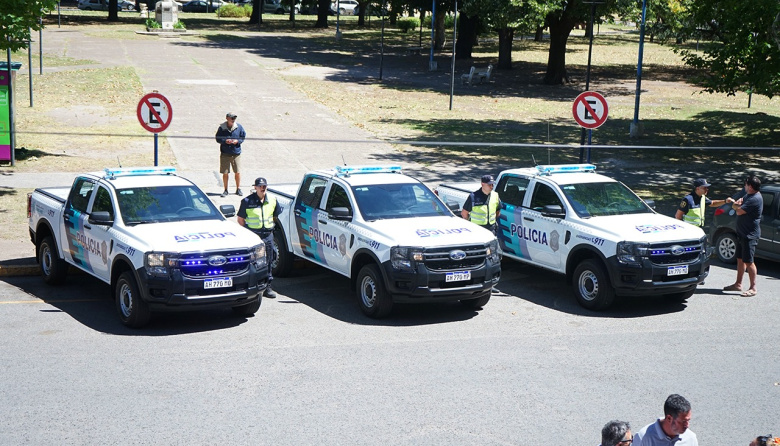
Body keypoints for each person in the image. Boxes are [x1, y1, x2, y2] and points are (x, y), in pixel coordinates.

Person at [237, 177, 281, 298]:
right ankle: (253, 285)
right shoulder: (247, 201)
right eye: (260, 186)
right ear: (255, 187)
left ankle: (267, 287)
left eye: (264, 186)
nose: (263, 188)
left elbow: (275, 217)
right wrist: (249, 232)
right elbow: (241, 220)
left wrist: (270, 228)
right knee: (253, 261)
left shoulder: (272, 200)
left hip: (267, 236)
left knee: (269, 260)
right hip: (254, 237)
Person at [723, 175, 763, 297]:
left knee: (749, 261)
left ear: (750, 186)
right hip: (742, 233)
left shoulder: (755, 199)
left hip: (749, 235)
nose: (744, 186)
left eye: (745, 185)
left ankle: (753, 288)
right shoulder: (748, 195)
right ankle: (738, 284)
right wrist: (737, 205)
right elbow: (738, 205)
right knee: (740, 259)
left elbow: (739, 210)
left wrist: (736, 206)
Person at [633, 394, 698, 446]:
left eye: (688, 420)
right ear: (669, 418)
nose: (687, 425)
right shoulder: (643, 437)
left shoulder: (691, 439)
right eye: (683, 421)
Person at [215, 112, 246, 197]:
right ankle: (225, 190)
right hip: (225, 153)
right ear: (227, 118)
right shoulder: (222, 128)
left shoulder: (239, 127)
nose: (233, 120)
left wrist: (237, 141)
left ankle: (238, 189)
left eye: (234, 118)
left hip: (236, 153)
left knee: (237, 172)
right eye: (231, 118)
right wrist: (225, 141)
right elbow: (218, 138)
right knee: (225, 172)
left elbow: (243, 136)